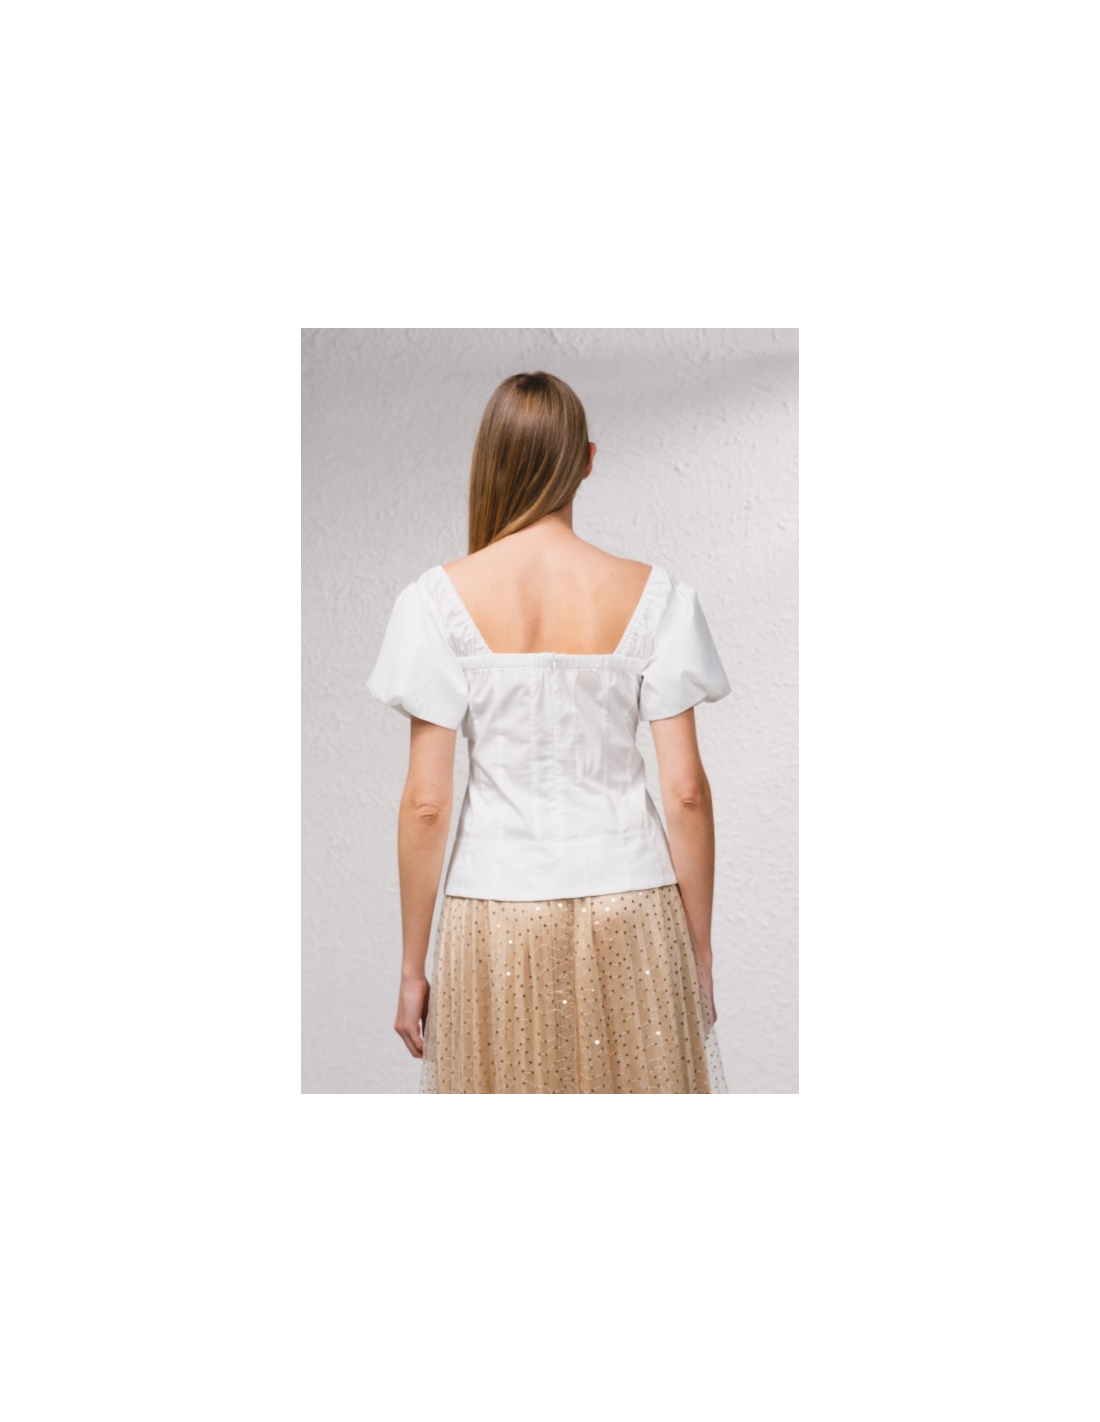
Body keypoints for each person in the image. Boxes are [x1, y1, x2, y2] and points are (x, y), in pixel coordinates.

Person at [366, 371, 732, 1093]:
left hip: (495, 912)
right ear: (587, 460)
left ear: (493, 460)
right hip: (634, 901)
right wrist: (698, 951)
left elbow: (427, 804)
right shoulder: (657, 596)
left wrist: (412, 970)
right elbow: (685, 790)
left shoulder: (435, 602)